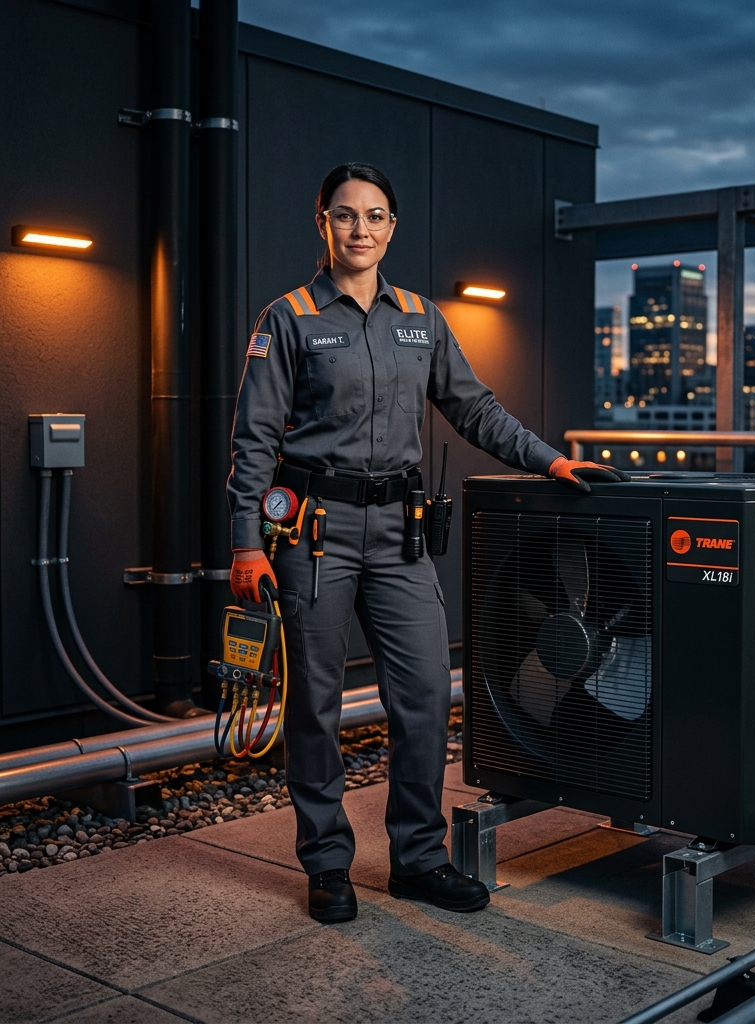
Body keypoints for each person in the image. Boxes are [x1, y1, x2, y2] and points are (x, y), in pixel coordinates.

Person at [227, 162, 627, 923]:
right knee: (314, 705)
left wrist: (552, 459)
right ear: (322, 223)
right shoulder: (290, 318)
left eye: (375, 217)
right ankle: (328, 864)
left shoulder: (421, 317)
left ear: (392, 228)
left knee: (421, 701)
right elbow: (252, 443)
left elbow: (476, 410)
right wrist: (247, 544)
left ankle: (417, 859)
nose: (360, 230)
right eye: (345, 216)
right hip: (314, 536)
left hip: (399, 540)